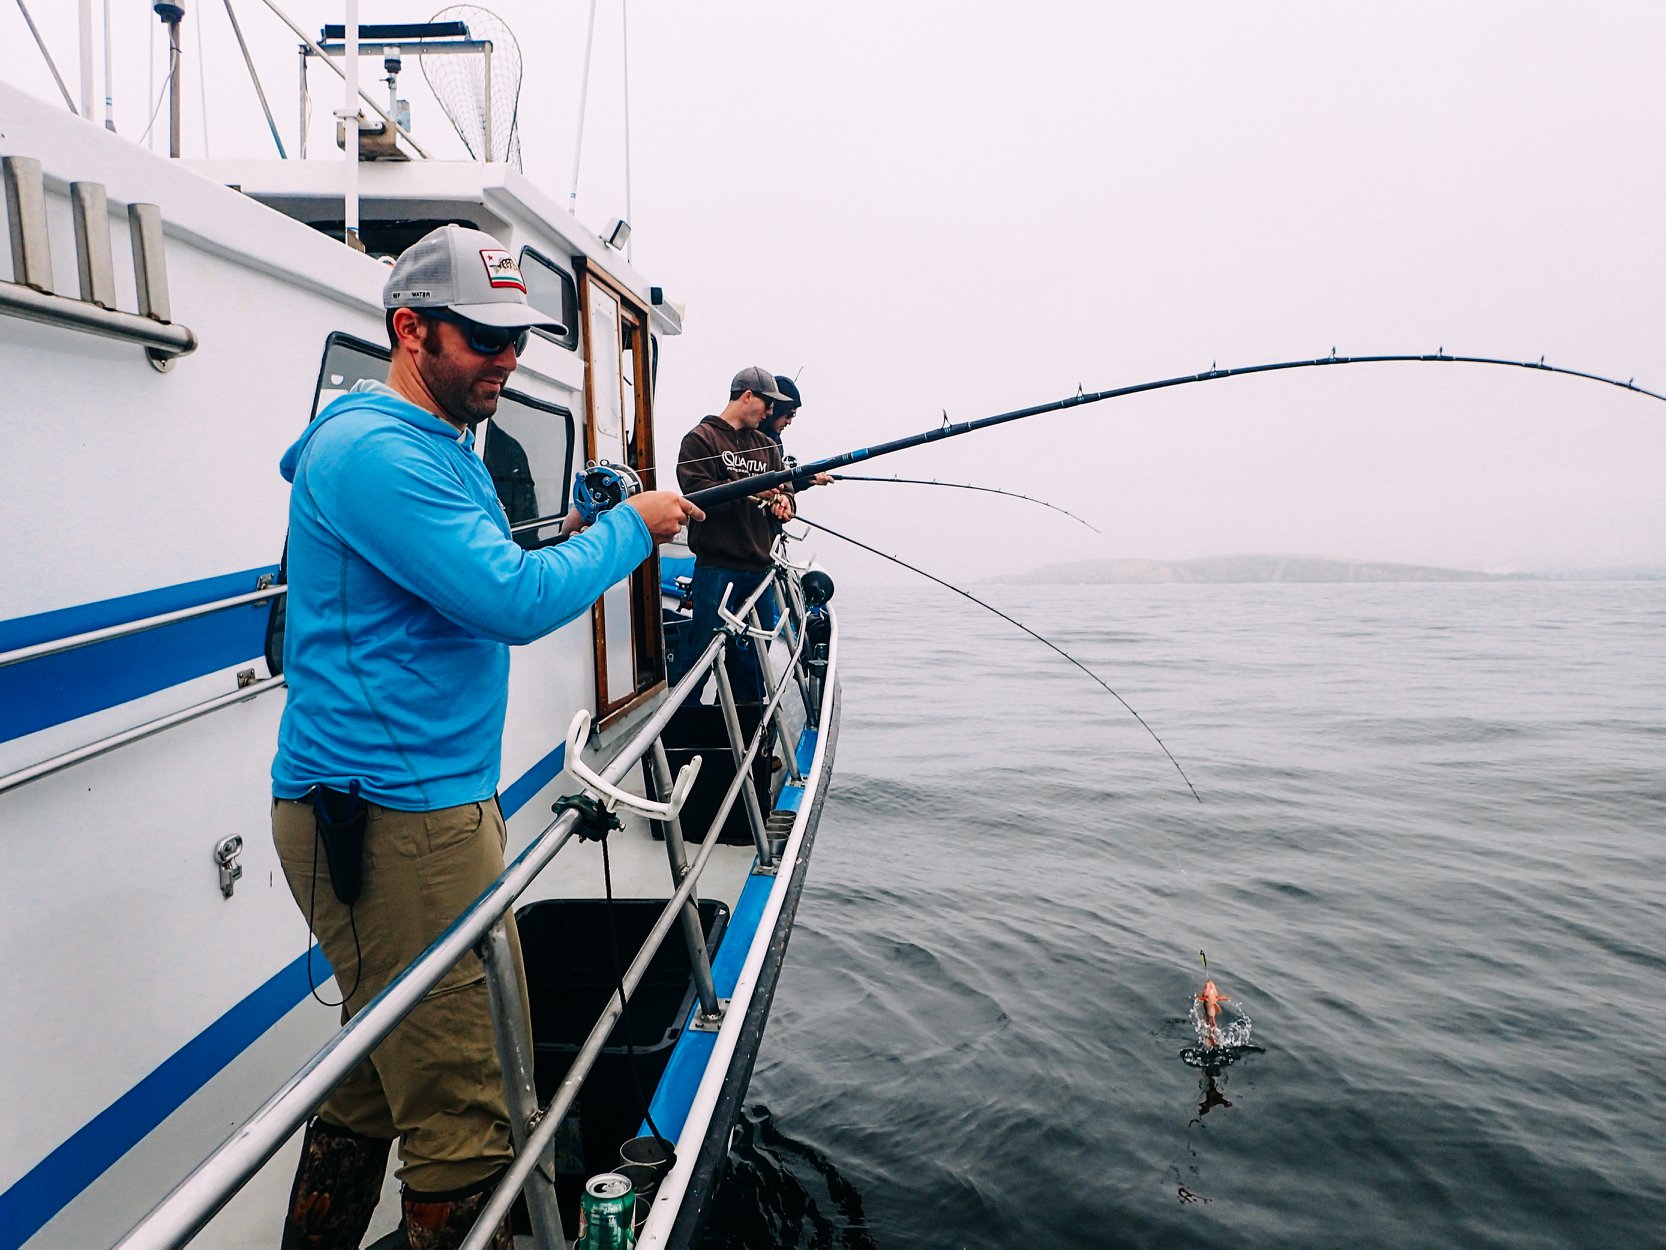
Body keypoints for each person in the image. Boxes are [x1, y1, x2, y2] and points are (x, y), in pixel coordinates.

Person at [269, 224, 700, 1250]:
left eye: (518, 338)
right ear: (411, 329)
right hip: (394, 823)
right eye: (483, 337)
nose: (507, 359)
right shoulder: (378, 451)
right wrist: (631, 523)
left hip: (408, 810)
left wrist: (578, 520)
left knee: (375, 1078)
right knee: (472, 1116)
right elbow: (506, 597)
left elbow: (466, 566)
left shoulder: (434, 446)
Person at [669, 366, 795, 703]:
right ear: (747, 395)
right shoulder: (701, 439)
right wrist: (754, 492)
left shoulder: (768, 447)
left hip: (759, 573)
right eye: (767, 403)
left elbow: (787, 493)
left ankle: (750, 735)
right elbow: (697, 495)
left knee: (753, 662)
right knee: (702, 656)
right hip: (716, 570)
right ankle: (681, 732)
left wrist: (785, 503)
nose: (770, 412)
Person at [761, 374, 834, 487]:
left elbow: (781, 484)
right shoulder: (750, 437)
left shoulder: (774, 440)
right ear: (778, 410)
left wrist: (808, 479)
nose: (789, 422)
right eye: (789, 415)